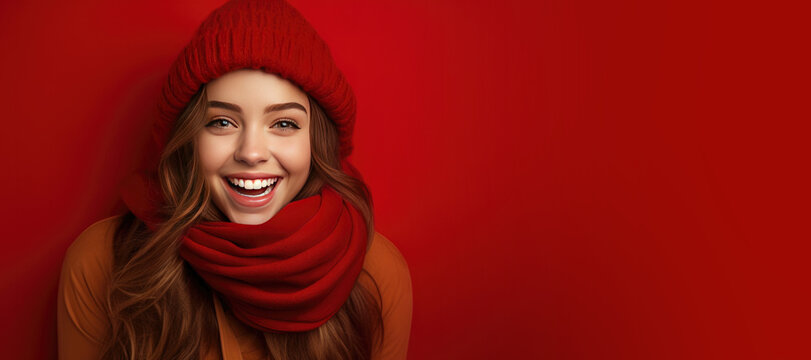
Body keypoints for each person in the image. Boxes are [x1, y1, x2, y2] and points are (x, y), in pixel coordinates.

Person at [56, 0, 413, 359]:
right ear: (189, 138)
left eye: (284, 124)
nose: (252, 152)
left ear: (316, 142)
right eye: (222, 122)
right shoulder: (105, 264)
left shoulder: (376, 276)